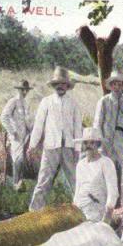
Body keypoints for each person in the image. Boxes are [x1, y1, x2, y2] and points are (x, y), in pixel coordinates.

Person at [29, 66, 84, 211]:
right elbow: (39, 125)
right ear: (54, 85)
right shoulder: (46, 102)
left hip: (69, 148)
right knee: (43, 180)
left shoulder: (73, 103)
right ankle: (34, 212)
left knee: (75, 180)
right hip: (51, 147)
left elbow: (78, 128)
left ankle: (82, 210)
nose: (61, 86)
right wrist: (32, 145)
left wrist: (77, 149)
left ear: (67, 86)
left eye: (63, 83)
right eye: (57, 83)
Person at [73, 127, 119, 222]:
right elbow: (78, 191)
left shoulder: (106, 163)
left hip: (98, 214)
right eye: (86, 143)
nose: (88, 146)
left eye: (92, 143)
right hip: (80, 214)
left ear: (98, 144)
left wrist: (106, 218)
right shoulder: (80, 165)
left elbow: (113, 193)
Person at [0, 80, 34, 191]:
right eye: (22, 90)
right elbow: (3, 117)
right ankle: (16, 182)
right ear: (18, 90)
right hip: (16, 136)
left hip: (26, 134)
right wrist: (12, 131)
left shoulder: (26, 103)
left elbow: (28, 120)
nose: (24, 92)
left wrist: (32, 128)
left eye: (26, 90)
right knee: (19, 156)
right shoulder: (13, 102)